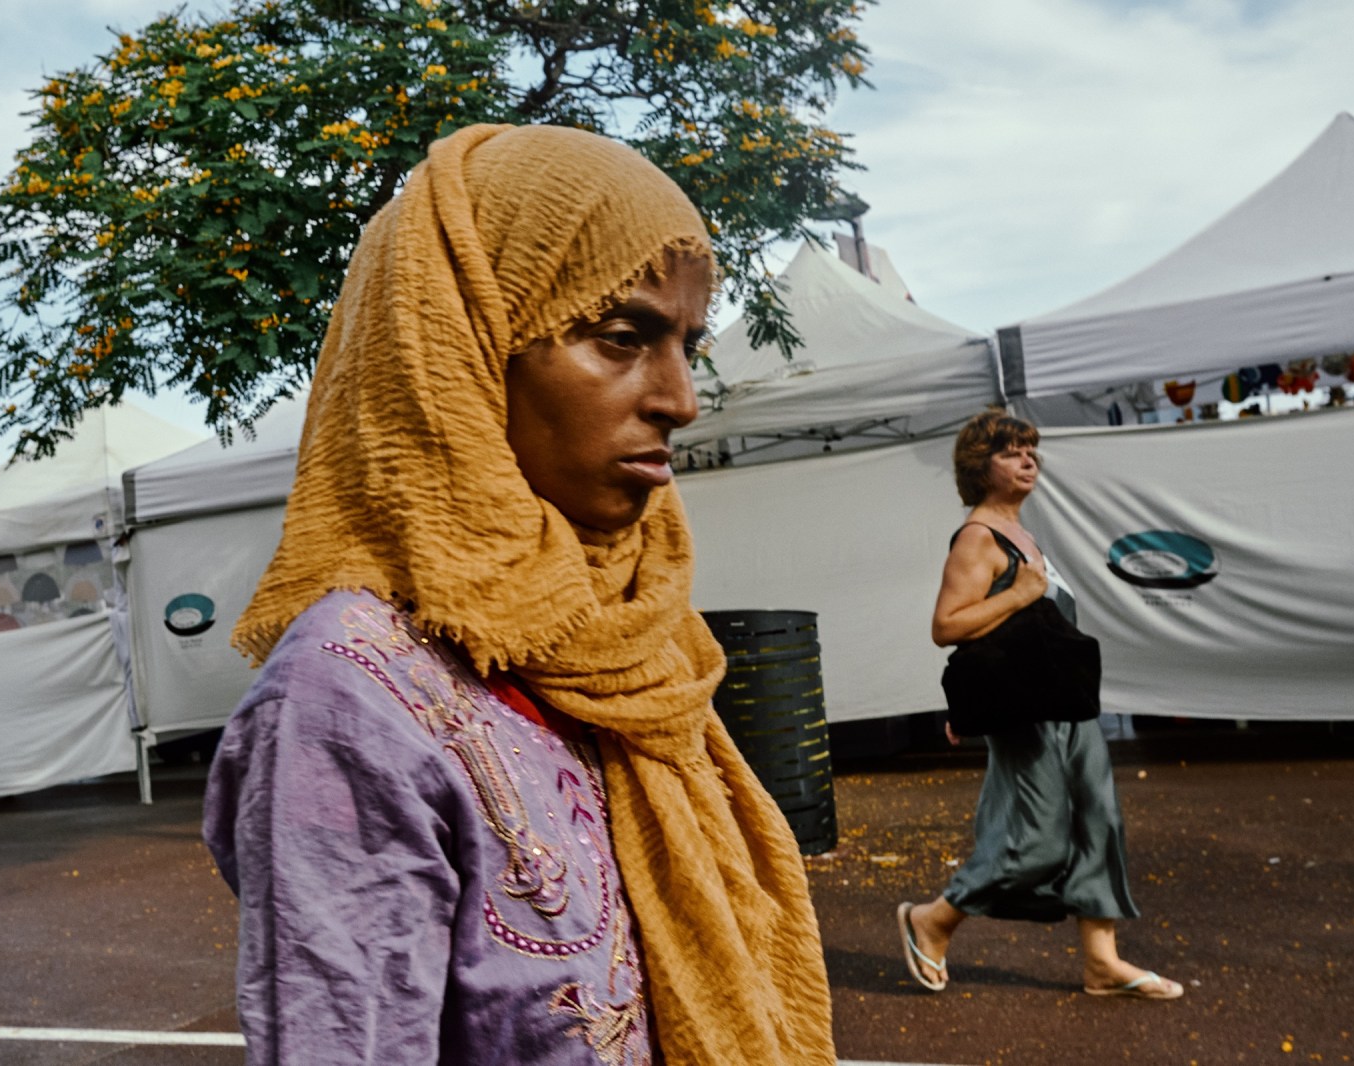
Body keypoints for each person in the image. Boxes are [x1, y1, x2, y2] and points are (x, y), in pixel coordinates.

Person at [203, 124, 835, 1065]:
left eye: (687, 347)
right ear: (454, 352)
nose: (681, 398)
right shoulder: (352, 698)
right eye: (622, 339)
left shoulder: (637, 641)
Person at [897, 408, 1182, 1001]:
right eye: (1010, 452)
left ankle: (1102, 962)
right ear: (981, 465)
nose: (1028, 459)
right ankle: (934, 918)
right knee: (1039, 840)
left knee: (1099, 821)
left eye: (1031, 449)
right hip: (1030, 720)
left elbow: (1016, 638)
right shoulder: (979, 539)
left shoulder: (1025, 535)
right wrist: (1024, 592)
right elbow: (947, 626)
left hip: (1067, 710)